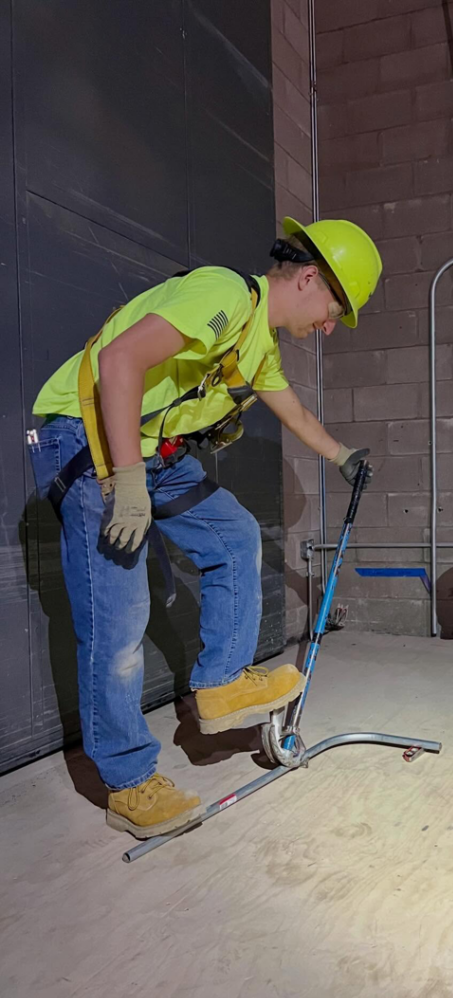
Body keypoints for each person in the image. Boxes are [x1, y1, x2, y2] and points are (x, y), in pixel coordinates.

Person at [27, 217, 381, 839]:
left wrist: (341, 455)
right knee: (118, 619)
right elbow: (118, 359)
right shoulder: (222, 293)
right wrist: (128, 481)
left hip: (147, 447)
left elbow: (292, 409)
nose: (328, 326)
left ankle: (219, 685)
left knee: (235, 536)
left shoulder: (258, 344)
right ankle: (129, 782)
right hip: (85, 437)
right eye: (334, 309)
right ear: (307, 279)